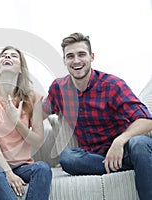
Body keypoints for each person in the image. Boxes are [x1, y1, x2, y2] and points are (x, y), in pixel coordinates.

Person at [42, 32, 152, 200]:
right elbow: (39, 113)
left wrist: (120, 141)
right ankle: (122, 166)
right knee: (67, 158)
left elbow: (146, 120)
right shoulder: (59, 88)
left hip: (124, 150)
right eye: (70, 56)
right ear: (64, 61)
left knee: (140, 143)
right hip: (94, 157)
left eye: (81, 54)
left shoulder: (113, 85)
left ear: (91, 57)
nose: (76, 60)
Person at [0, 46, 52, 200]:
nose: (7, 57)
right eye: (4, 56)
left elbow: (37, 140)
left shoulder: (33, 98)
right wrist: (7, 172)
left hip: (22, 166)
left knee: (43, 168)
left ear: (21, 68)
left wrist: (17, 121)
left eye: (13, 56)